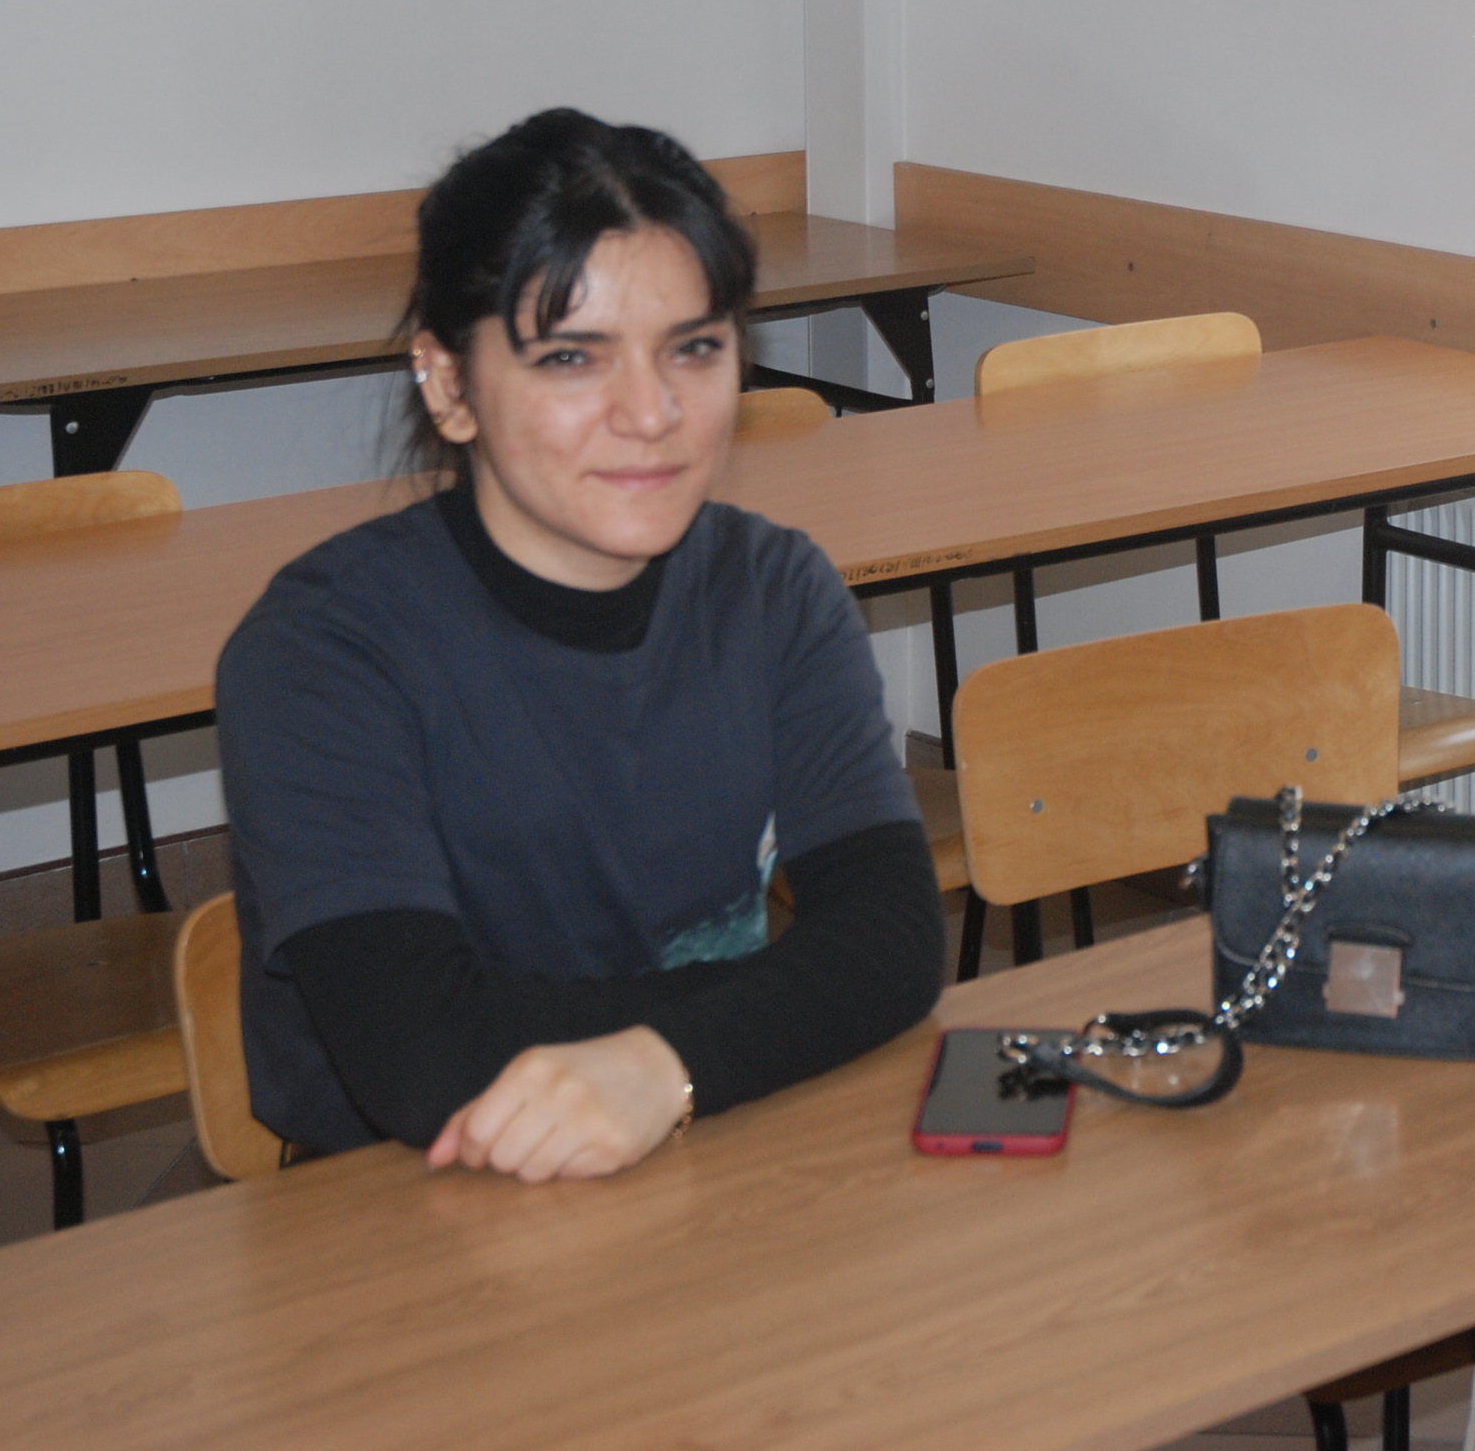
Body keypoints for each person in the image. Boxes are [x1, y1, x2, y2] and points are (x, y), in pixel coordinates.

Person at [218, 109, 946, 1178]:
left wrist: (669, 1064)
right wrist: (770, 1011)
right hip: (407, 1198)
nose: (650, 412)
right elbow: (425, 1060)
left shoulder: (776, 589)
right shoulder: (322, 651)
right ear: (450, 386)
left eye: (693, 348)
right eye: (571, 358)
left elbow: (894, 942)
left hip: (710, 1142)